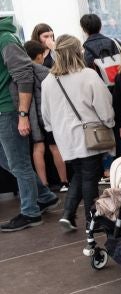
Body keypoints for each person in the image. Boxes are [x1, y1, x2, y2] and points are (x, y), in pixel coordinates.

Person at [40, 34, 114, 231]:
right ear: (76, 52)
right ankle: (93, 219)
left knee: (80, 175)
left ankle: (68, 214)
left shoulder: (48, 81)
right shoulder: (87, 75)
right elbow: (103, 104)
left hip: (64, 137)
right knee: (90, 176)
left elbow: (45, 115)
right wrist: (109, 122)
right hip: (88, 134)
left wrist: (53, 129)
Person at [0, 15, 59, 232]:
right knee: (8, 162)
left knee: (18, 164)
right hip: (2, 112)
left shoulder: (5, 39)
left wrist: (23, 114)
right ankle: (45, 197)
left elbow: (25, 75)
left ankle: (30, 213)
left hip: (9, 111)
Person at [23, 40, 68, 192]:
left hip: (31, 117)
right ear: (39, 56)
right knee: (55, 147)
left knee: (38, 148)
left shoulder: (21, 72)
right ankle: (64, 182)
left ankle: (44, 185)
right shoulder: (46, 73)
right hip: (48, 116)